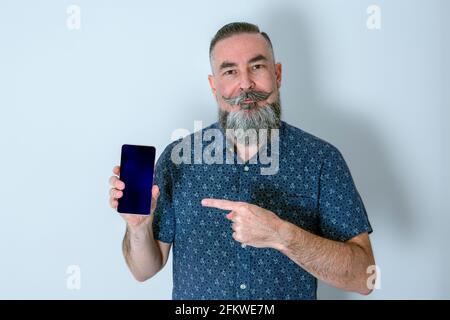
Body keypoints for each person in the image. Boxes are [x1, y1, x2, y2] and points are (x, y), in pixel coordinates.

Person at [108, 22, 375, 300]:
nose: (245, 83)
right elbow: (143, 271)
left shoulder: (321, 160)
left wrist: (281, 236)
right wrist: (138, 228)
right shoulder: (178, 159)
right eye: (230, 71)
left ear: (278, 74)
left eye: (257, 67)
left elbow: (364, 277)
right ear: (214, 85)